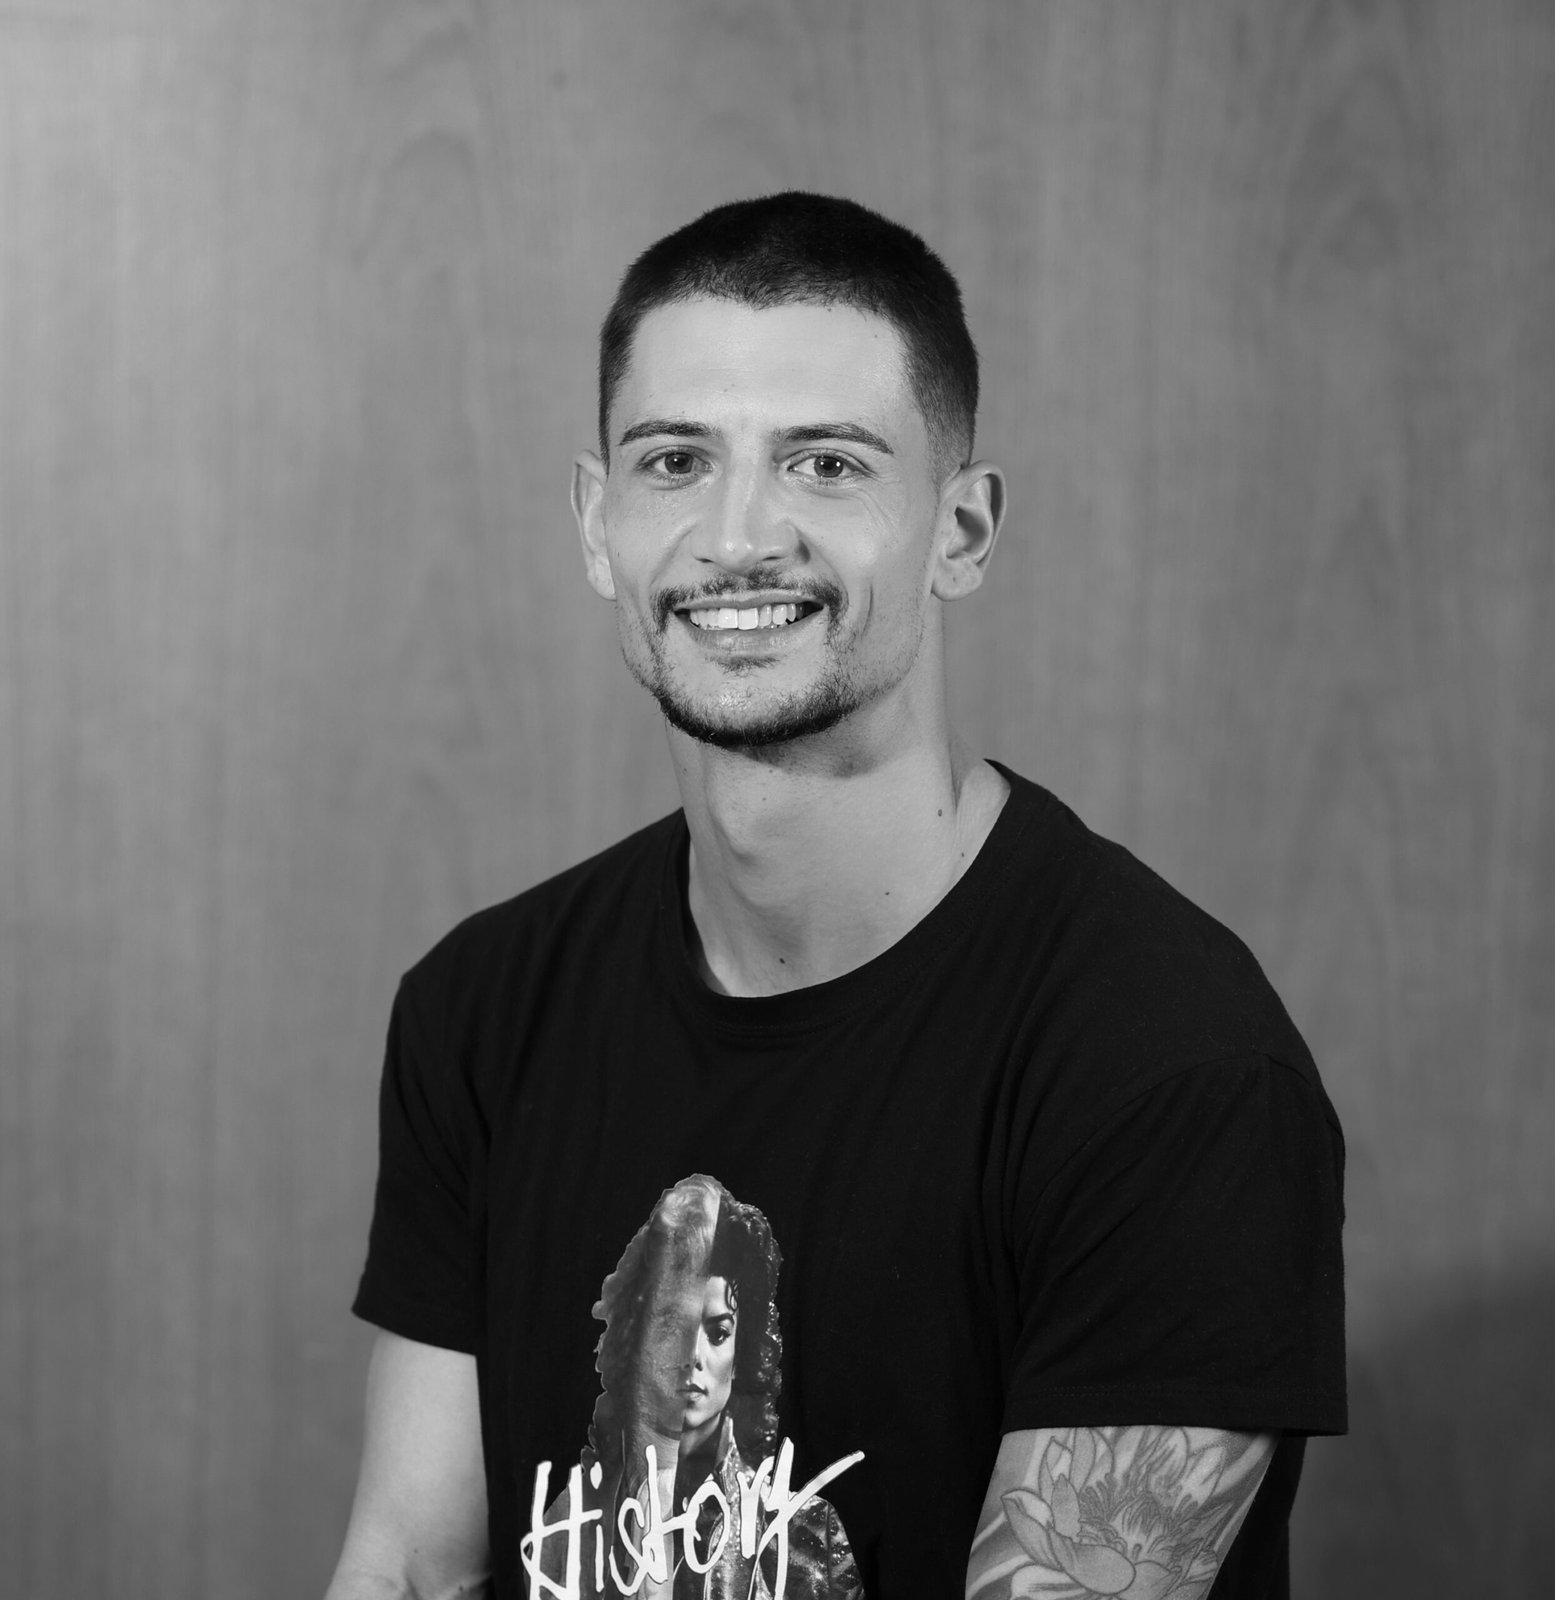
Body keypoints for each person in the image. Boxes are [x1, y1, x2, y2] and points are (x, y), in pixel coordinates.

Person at [325, 192, 1345, 1600]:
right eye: (675, 460)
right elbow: (411, 1566)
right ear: (598, 523)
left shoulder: (1169, 1066)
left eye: (824, 464)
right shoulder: (484, 1007)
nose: (740, 534)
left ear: (961, 531)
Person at [529, 1175, 861, 1598]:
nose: (692, 1355)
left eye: (718, 1332)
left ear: (742, 1352)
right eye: (673, 1327)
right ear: (637, 1341)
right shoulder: (570, 1525)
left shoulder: (806, 1531)